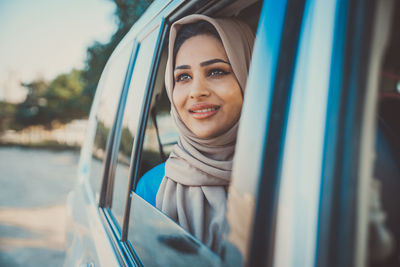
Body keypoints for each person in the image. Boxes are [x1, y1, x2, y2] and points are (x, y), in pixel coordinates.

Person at [136, 14, 254, 253]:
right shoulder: (151, 188)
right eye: (183, 77)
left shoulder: (297, 176)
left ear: (249, 74)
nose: (196, 91)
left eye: (216, 72)